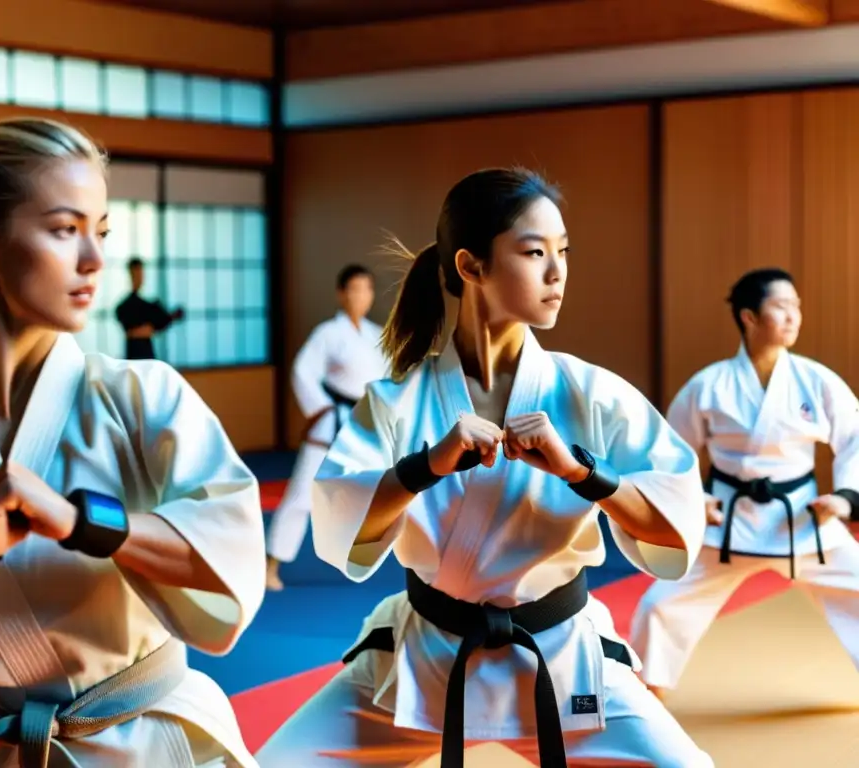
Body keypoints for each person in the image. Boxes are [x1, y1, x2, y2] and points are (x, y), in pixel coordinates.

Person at [0, 117, 266, 768]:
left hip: (150, 744)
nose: (95, 261)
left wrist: (83, 521)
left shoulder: (141, 397)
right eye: (66, 230)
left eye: (101, 232)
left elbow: (229, 551)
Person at [254, 167, 712, 768]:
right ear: (471, 267)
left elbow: (671, 527)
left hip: (560, 656)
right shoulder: (397, 401)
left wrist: (582, 473)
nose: (558, 272)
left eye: (563, 252)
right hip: (424, 658)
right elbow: (346, 530)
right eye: (534, 252)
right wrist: (427, 466)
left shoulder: (591, 393)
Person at [629, 268, 859, 701]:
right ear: (750, 317)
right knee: (659, 606)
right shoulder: (709, 385)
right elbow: (667, 452)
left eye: (797, 307)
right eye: (782, 306)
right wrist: (695, 500)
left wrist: (847, 498)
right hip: (728, 524)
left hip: (800, 521)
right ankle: (648, 695)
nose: (794, 316)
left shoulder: (816, 380)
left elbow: (854, 438)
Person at [265, 264, 388, 591]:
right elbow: (302, 371)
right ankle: (271, 563)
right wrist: (320, 409)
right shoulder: (327, 334)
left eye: (366, 289)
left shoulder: (377, 335)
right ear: (341, 293)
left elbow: (390, 380)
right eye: (354, 289)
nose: (360, 296)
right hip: (330, 420)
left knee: (369, 492)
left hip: (362, 425)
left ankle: (359, 557)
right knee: (303, 494)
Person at [115, 256, 185, 360]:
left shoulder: (148, 305)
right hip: (134, 354)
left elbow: (159, 323)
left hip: (147, 354)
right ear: (130, 274)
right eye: (136, 273)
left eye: (141, 273)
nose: (140, 277)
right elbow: (133, 331)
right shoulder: (124, 306)